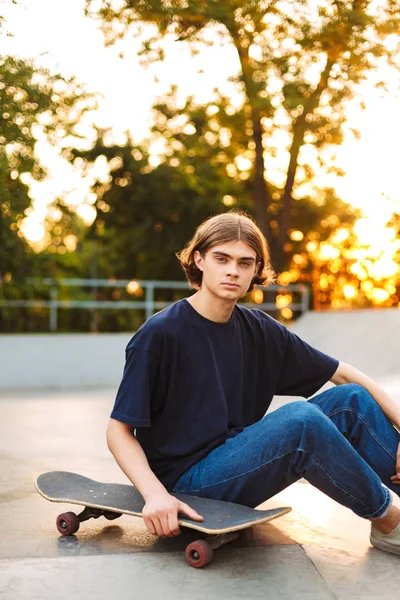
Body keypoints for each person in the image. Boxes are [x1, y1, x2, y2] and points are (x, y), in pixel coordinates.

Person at [107, 211, 400, 556]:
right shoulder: (160, 334)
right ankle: (390, 522)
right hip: (187, 482)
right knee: (300, 421)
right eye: (222, 259)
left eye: (245, 263)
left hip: (240, 460)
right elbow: (118, 431)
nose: (233, 270)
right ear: (199, 260)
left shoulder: (259, 328)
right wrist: (156, 495)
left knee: (351, 400)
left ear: (255, 271)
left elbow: (345, 374)